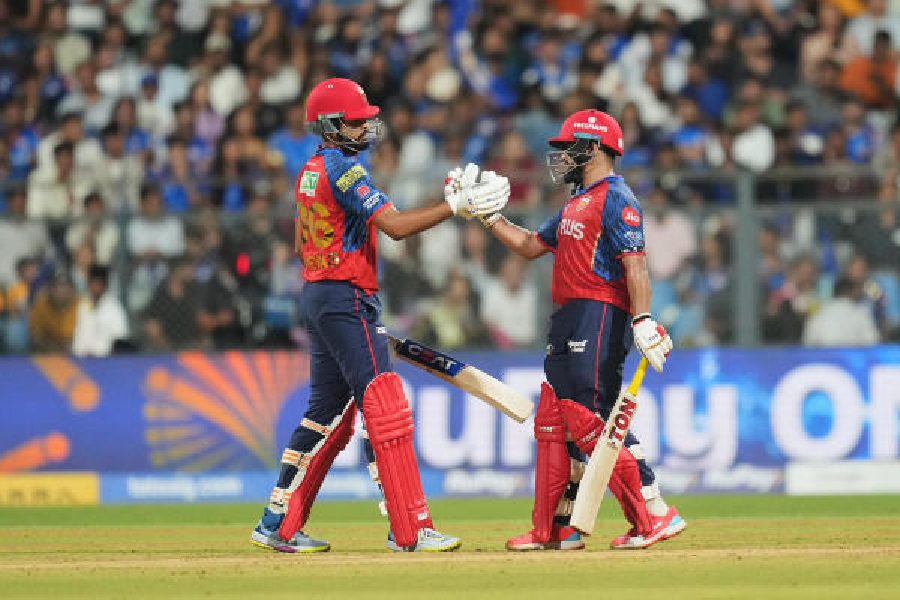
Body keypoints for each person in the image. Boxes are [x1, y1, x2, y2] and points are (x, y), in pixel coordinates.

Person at [249, 78, 508, 554]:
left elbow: (304, 243)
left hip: (320, 293)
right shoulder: (345, 171)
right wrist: (454, 207)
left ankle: (276, 521)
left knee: (325, 414)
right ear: (331, 125)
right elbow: (396, 227)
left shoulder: (310, 170)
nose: (366, 128)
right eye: (356, 121)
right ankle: (410, 528)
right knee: (383, 406)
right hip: (346, 297)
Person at [481, 110, 685, 551]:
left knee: (593, 417)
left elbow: (636, 265)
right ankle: (560, 526)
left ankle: (653, 511)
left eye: (569, 147)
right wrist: (488, 218)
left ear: (593, 148)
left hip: (600, 313)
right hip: (569, 315)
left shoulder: (617, 197)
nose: (561, 157)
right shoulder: (577, 201)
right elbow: (530, 245)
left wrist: (642, 318)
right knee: (561, 421)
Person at [71, 264, 128, 357]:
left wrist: (100, 352)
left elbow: (120, 338)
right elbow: (78, 333)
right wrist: (79, 351)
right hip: (82, 357)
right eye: (92, 283)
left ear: (105, 286)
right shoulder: (82, 305)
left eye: (98, 284)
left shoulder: (115, 308)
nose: (95, 287)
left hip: (106, 359)